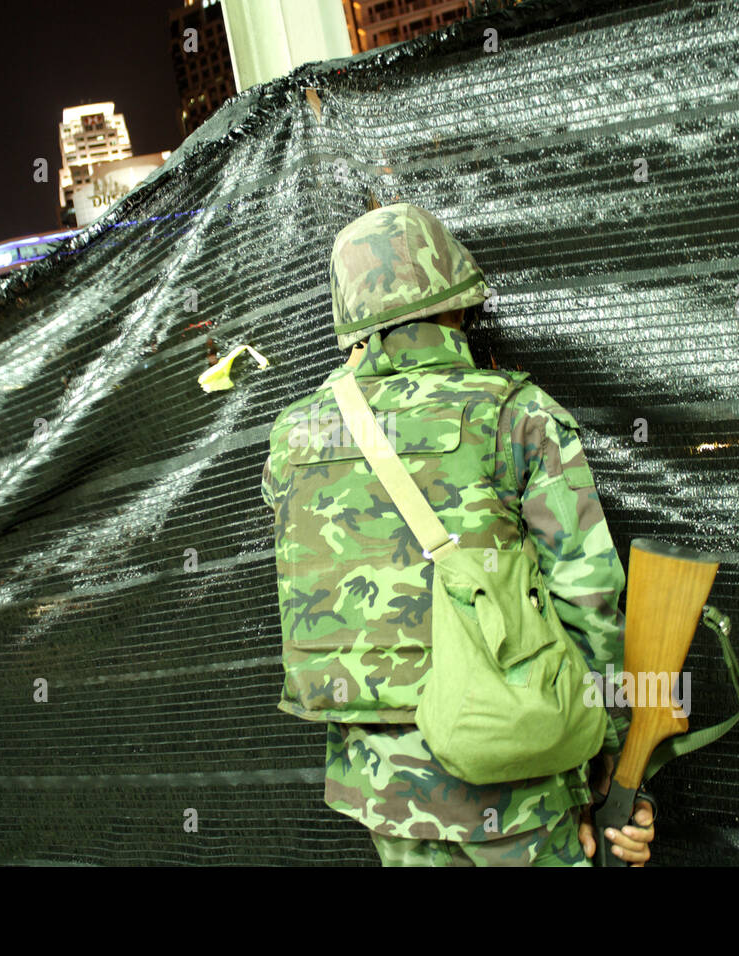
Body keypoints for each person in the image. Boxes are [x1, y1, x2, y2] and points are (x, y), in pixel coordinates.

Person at [261, 203, 655, 866]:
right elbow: (589, 600)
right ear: (460, 301)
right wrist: (602, 764)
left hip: (384, 791)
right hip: (519, 772)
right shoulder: (516, 413)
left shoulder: (295, 436)